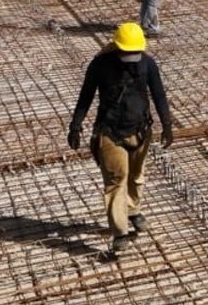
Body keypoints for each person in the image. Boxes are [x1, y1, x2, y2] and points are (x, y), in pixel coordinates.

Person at [67, 22, 175, 257]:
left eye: (135, 52)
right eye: (128, 52)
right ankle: (120, 232)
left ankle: (133, 210)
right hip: (110, 133)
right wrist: (76, 126)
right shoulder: (100, 65)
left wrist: (167, 125)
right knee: (117, 180)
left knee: (136, 176)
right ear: (117, 47)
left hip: (140, 132)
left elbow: (159, 94)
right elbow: (85, 96)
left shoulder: (147, 64)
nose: (132, 56)